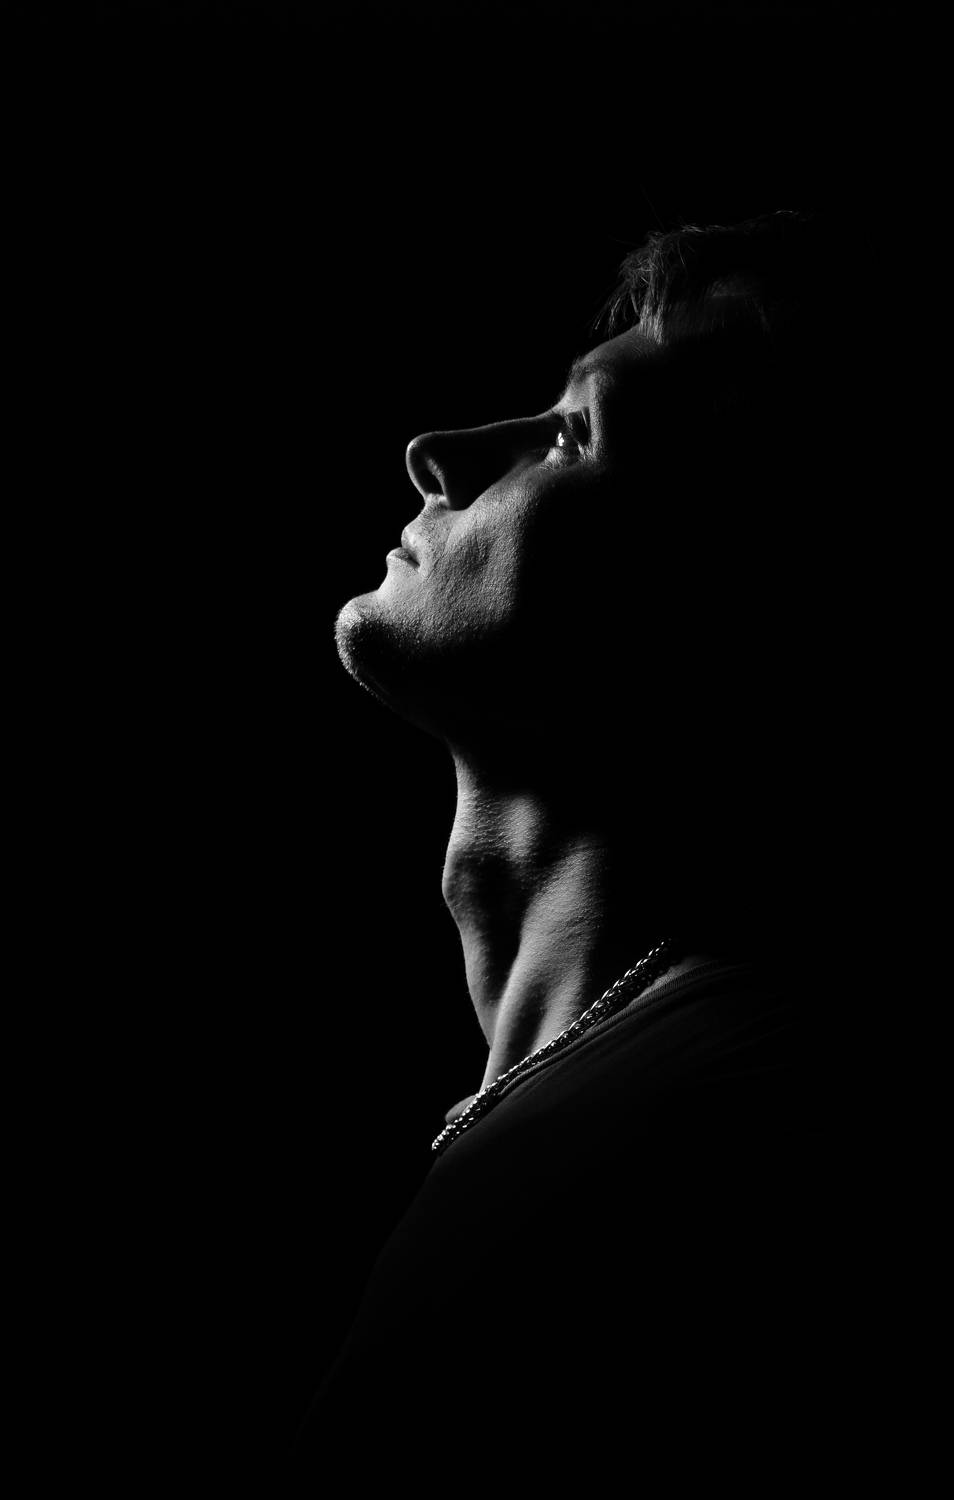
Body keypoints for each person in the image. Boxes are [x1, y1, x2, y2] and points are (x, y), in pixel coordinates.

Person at [294, 209, 902, 1485]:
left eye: (573, 434)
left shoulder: (744, 1126)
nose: (439, 454)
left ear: (734, 594)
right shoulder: (598, 1090)